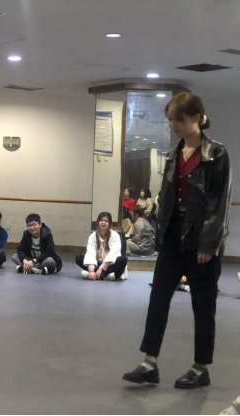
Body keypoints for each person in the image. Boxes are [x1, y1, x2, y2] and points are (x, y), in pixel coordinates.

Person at [123, 92, 232, 389]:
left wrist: (208, 244)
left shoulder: (216, 153)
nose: (172, 125)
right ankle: (149, 363)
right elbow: (166, 198)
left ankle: (200, 367)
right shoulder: (173, 154)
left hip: (201, 241)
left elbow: (219, 202)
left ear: (196, 117)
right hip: (172, 238)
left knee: (203, 305)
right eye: (170, 119)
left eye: (178, 119)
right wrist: (161, 236)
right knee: (158, 299)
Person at [76, 212, 128, 281]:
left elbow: (114, 253)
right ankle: (104, 275)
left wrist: (101, 269)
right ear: (98, 222)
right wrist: (91, 270)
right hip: (97, 263)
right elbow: (90, 252)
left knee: (123, 260)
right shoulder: (93, 236)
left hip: (109, 265)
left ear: (109, 223)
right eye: (101, 220)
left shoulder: (115, 236)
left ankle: (99, 274)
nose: (103, 223)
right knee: (79, 258)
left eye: (106, 221)